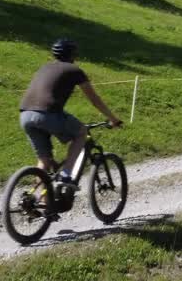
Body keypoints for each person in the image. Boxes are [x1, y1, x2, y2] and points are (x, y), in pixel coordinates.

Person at [19, 39, 122, 198]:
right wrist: (113, 118)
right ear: (73, 54)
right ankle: (67, 174)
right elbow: (94, 99)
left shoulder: (44, 67)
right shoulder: (74, 70)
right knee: (81, 132)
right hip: (48, 114)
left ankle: (42, 204)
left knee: (44, 161)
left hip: (25, 115)